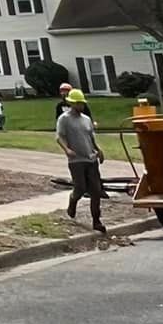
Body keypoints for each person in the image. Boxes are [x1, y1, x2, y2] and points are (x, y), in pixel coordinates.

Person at [56, 87, 107, 233]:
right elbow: (59, 137)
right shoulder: (64, 119)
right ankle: (73, 202)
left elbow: (91, 137)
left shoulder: (86, 119)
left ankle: (96, 221)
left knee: (96, 191)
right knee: (80, 188)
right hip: (76, 160)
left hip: (91, 159)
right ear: (71, 103)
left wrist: (99, 150)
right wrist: (67, 150)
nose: (81, 106)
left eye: (82, 103)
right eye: (78, 103)